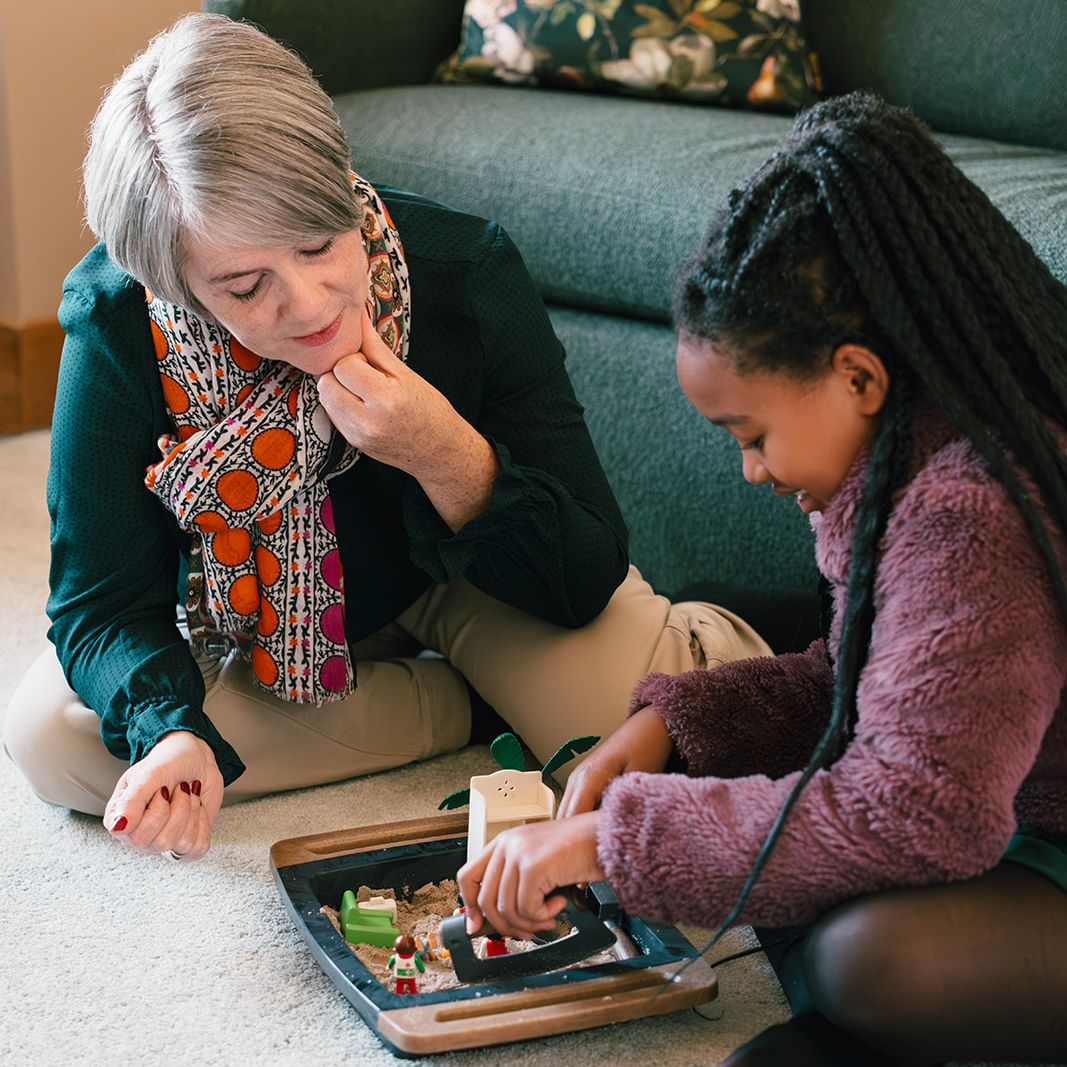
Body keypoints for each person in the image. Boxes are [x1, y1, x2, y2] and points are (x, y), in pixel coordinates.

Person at [2, 14, 768, 866]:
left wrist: (442, 451)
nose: (312, 302)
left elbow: (583, 570)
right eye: (247, 286)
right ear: (175, 286)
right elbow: (99, 604)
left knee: (659, 737)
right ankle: (464, 707)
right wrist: (173, 734)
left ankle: (683, 639)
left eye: (319, 241)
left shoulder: (464, 272)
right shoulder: (118, 324)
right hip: (273, 630)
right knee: (54, 737)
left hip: (476, 580)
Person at [458, 92, 1067, 1065]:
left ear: (858, 378)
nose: (749, 468)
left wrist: (611, 841)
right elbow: (875, 686)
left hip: (1012, 825)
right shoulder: (912, 451)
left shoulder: (969, 509)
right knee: (788, 859)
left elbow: (916, 811)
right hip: (998, 802)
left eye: (752, 434)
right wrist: (671, 722)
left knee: (863, 959)